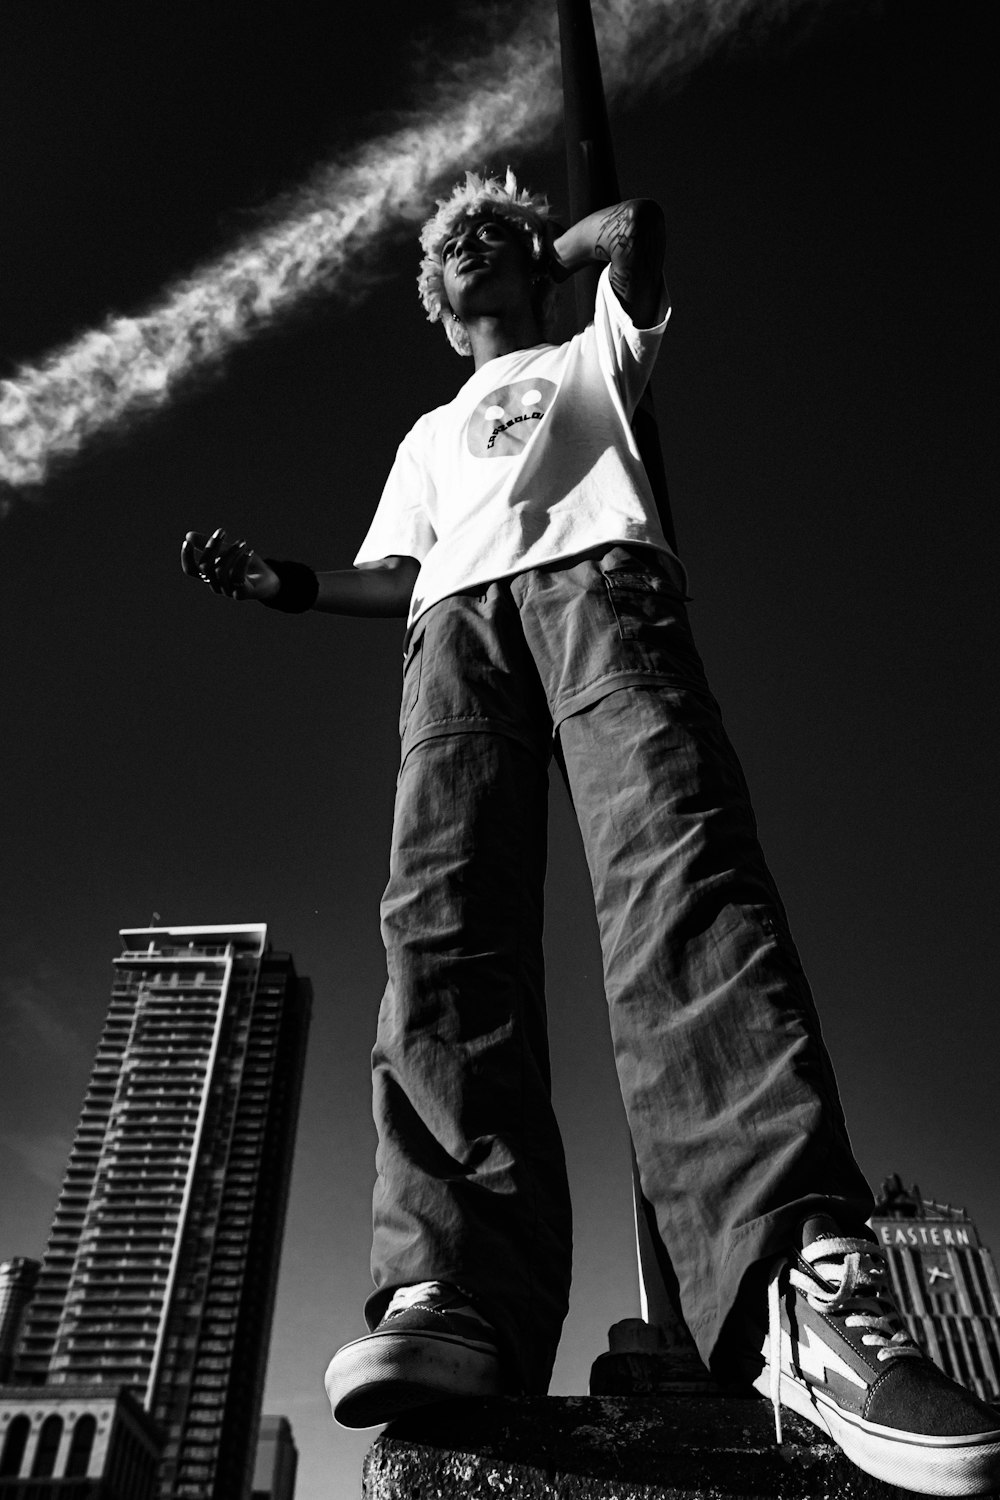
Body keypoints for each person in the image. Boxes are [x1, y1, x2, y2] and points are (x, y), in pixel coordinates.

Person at [181, 170, 1000, 1495]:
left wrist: (521, 242)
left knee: (682, 875)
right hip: (454, 630)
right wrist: (274, 583)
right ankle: (454, 1294)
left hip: (601, 587)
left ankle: (790, 1291)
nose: (476, 255)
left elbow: (637, 228)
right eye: (451, 257)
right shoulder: (424, 435)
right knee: (442, 928)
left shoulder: (593, 347)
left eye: (495, 241)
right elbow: (386, 578)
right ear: (438, 316)